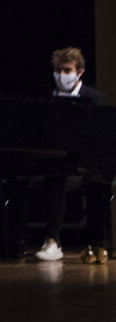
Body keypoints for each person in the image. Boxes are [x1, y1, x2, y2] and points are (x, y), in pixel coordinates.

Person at [33, 46, 111, 263]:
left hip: (85, 164)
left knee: (95, 182)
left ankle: (97, 242)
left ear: (80, 72)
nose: (61, 75)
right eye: (58, 70)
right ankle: (51, 241)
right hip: (55, 164)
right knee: (53, 177)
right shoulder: (47, 98)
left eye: (67, 70)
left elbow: (98, 139)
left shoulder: (94, 99)